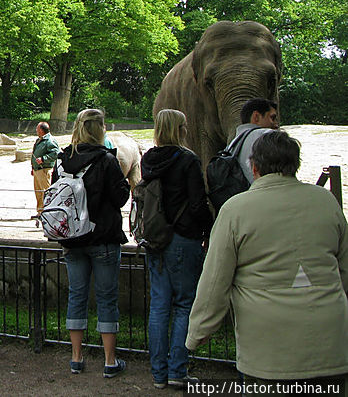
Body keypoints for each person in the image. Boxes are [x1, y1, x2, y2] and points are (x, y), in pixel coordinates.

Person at [186, 130, 348, 390]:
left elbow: (215, 279)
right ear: (295, 164)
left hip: (269, 351)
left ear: (254, 166)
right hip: (330, 345)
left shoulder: (235, 210)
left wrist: (198, 331)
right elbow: (344, 268)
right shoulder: (326, 202)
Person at [54, 108, 130, 378]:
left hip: (73, 239)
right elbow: (121, 198)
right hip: (104, 238)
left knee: (77, 295)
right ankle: (110, 361)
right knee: (107, 298)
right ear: (100, 129)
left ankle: (76, 358)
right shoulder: (106, 160)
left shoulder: (61, 160)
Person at [140, 109, 212, 389]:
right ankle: (177, 370)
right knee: (183, 305)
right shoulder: (188, 160)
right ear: (180, 128)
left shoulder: (149, 159)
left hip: (156, 238)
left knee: (159, 306)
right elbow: (196, 205)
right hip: (183, 238)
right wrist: (207, 226)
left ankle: (158, 373)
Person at [228, 98, 280, 184]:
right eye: (272, 118)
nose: (276, 125)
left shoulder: (232, 145)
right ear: (256, 117)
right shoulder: (267, 135)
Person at [30, 121, 60, 218]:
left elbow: (56, 153)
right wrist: (33, 167)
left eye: (38, 129)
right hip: (37, 170)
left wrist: (43, 159)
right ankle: (40, 211)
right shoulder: (39, 140)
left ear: (42, 130)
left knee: (46, 191)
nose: (36, 130)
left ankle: (48, 211)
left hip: (44, 170)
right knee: (38, 191)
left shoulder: (50, 140)